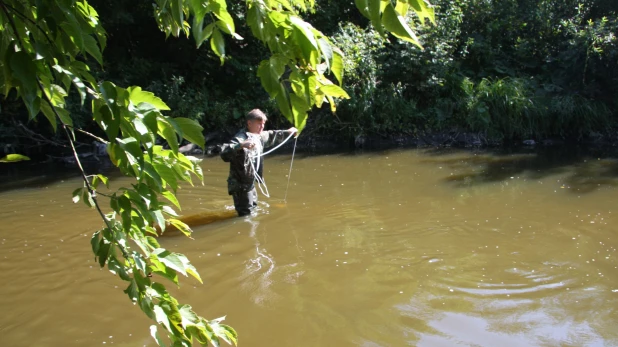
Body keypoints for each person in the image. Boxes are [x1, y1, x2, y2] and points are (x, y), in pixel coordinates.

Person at [220, 109, 297, 216]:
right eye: (259, 124)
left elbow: (271, 135)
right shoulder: (240, 138)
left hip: (250, 182)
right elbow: (224, 153)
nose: (262, 127)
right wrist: (241, 145)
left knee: (253, 209)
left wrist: (288, 132)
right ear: (249, 123)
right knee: (246, 215)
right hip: (240, 185)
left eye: (263, 124)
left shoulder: (258, 136)